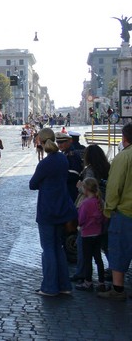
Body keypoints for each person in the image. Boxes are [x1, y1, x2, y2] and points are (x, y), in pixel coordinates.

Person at [29, 128, 77, 296]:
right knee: (58, 247)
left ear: (42, 142)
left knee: (48, 248)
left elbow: (32, 184)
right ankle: (64, 285)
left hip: (48, 210)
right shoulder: (62, 159)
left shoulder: (45, 163)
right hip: (62, 208)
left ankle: (50, 286)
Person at [98, 123, 132, 301]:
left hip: (125, 212)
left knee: (119, 249)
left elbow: (114, 187)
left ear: (124, 138)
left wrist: (108, 210)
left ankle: (118, 290)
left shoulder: (123, 157)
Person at [71, 144, 111, 282]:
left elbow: (87, 188)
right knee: (105, 243)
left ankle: (83, 274)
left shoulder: (89, 170)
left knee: (83, 245)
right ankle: (112, 268)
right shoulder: (107, 167)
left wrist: (79, 186)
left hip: (90, 211)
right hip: (104, 206)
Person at [75, 177, 107, 292]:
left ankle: (88, 282)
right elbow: (104, 218)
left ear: (86, 189)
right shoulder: (100, 201)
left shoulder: (85, 204)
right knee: (98, 258)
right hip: (97, 233)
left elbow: (81, 220)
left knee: (87, 259)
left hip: (86, 234)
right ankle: (101, 282)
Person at [55, 131, 83, 204]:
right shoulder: (64, 153)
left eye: (62, 142)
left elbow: (74, 174)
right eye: (58, 143)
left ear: (69, 142)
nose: (59, 145)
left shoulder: (71, 155)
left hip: (71, 188)